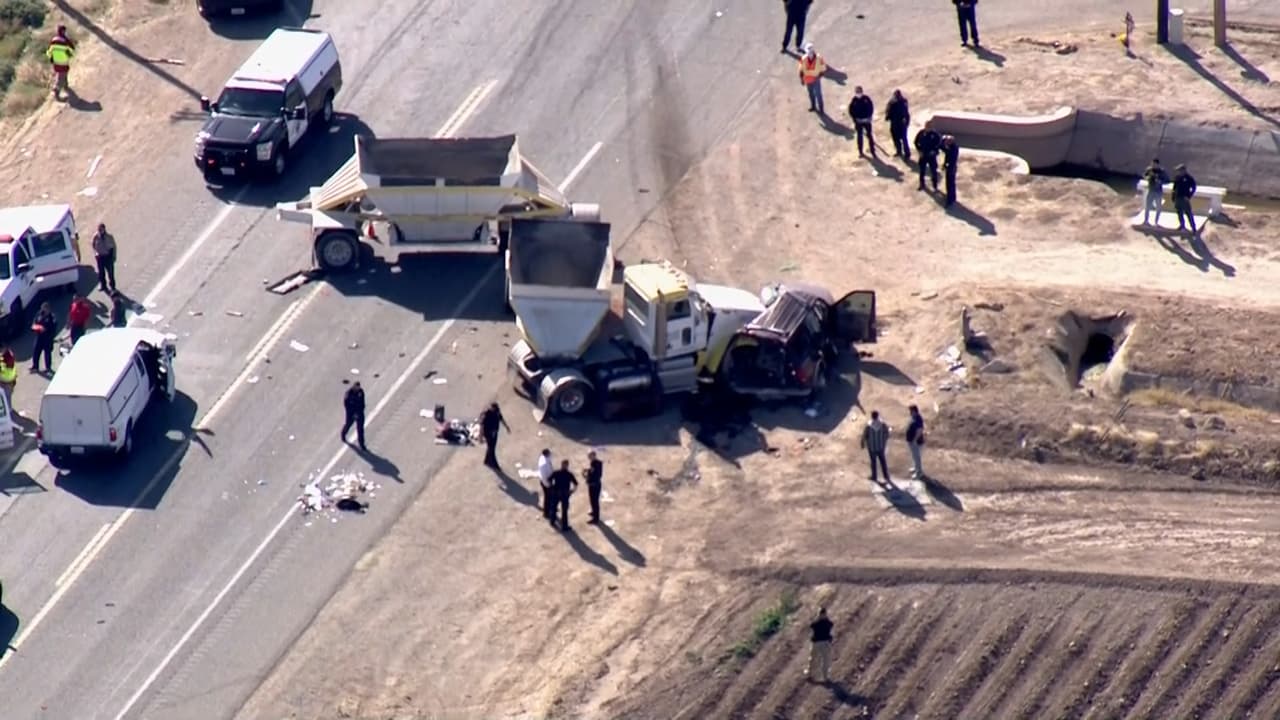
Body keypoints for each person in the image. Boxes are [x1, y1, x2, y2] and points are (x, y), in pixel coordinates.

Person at [859, 410, 891, 484]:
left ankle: (874, 476)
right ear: (878, 416)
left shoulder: (869, 426)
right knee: (883, 462)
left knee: (873, 462)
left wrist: (862, 443)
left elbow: (864, 435)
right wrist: (883, 441)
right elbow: (887, 433)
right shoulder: (882, 424)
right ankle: (886, 476)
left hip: (872, 448)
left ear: (872, 416)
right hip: (880, 447)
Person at [46, 25, 76, 99]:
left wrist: (51, 58)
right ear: (63, 31)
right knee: (62, 77)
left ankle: (65, 86)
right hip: (64, 62)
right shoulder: (65, 40)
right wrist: (69, 56)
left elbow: (49, 52)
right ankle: (57, 90)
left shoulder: (53, 40)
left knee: (61, 74)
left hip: (56, 62)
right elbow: (72, 50)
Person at [806, 607, 834, 683]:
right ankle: (824, 677)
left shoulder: (818, 623)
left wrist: (817, 619)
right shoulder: (827, 623)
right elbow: (831, 625)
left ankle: (811, 674)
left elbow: (812, 625)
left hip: (819, 642)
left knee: (820, 660)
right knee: (822, 660)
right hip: (822, 643)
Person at [479, 402, 510, 468]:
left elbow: (501, 419)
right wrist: (480, 437)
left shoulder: (497, 412)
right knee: (491, 449)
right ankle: (495, 465)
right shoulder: (487, 414)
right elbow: (482, 426)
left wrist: (506, 427)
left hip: (494, 433)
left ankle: (487, 461)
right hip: (488, 434)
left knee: (491, 448)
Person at [797, 43, 826, 114]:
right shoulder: (803, 59)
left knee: (818, 94)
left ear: (813, 51)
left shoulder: (819, 58)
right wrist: (802, 79)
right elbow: (800, 70)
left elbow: (823, 69)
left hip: (816, 79)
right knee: (811, 94)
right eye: (808, 52)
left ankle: (821, 109)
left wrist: (818, 77)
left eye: (811, 52)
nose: (810, 53)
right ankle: (813, 106)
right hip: (808, 79)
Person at [848, 86, 876, 158]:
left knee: (869, 136)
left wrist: (869, 116)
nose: (858, 93)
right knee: (859, 136)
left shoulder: (866, 99)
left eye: (859, 92)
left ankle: (873, 151)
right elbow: (851, 111)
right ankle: (860, 152)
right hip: (859, 122)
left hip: (867, 121)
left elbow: (871, 107)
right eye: (857, 92)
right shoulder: (854, 100)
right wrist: (855, 119)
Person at [550, 459, 578, 531]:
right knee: (564, 510)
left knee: (554, 507)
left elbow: (549, 480)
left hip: (556, 493)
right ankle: (564, 526)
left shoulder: (556, 473)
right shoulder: (569, 474)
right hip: (565, 494)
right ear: (567, 466)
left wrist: (552, 488)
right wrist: (571, 491)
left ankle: (552, 521)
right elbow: (576, 484)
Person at [30, 302, 58, 374]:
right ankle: (35, 366)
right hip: (39, 337)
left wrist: (45, 329)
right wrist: (34, 327)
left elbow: (53, 328)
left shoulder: (52, 317)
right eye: (43, 308)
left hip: (47, 338)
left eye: (45, 308)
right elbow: (34, 322)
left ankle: (48, 368)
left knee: (47, 353)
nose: (44, 310)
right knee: (36, 352)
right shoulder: (39, 314)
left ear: (49, 309)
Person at [1142, 158, 1170, 226]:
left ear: (1158, 164)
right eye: (1152, 164)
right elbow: (1144, 175)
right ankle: (1146, 221)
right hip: (1150, 190)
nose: (1153, 165)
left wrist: (1161, 182)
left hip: (1158, 192)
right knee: (1147, 206)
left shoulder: (1162, 171)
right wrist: (1147, 177)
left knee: (1158, 207)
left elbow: (1167, 180)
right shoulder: (1149, 170)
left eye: (1154, 164)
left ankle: (1156, 222)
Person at [1173, 164, 1199, 235]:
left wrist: (1189, 196)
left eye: (1180, 170)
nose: (1178, 172)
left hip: (1185, 198)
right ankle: (1182, 225)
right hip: (1178, 197)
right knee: (1179, 212)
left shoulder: (1189, 178)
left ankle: (1193, 228)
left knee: (1188, 213)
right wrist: (1173, 197)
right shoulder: (1177, 177)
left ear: (1183, 170)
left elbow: (1194, 187)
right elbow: (1174, 188)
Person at [885, 90, 911, 160]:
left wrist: (887, 117)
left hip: (898, 122)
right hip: (899, 123)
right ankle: (903, 152)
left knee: (901, 138)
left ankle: (903, 152)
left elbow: (888, 111)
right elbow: (906, 113)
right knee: (901, 138)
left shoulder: (893, 102)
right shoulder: (902, 101)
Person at [914, 127, 942, 192]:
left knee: (933, 171)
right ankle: (922, 184)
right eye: (926, 126)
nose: (927, 128)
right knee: (922, 170)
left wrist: (934, 151)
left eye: (929, 126)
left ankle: (935, 185)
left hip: (931, 156)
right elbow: (916, 142)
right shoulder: (921, 133)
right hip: (923, 155)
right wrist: (919, 150)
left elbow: (939, 144)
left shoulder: (935, 134)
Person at [92, 223, 117, 293]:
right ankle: (103, 285)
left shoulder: (109, 237)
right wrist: (95, 253)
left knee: (110, 273)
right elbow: (93, 245)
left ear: (104, 229)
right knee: (101, 273)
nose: (99, 231)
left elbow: (114, 247)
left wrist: (114, 256)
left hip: (108, 256)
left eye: (101, 229)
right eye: (98, 229)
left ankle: (113, 287)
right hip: (100, 257)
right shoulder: (96, 236)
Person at [341, 381, 367, 451]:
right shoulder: (349, 394)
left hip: (359, 412)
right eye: (356, 387)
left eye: (358, 387)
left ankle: (361, 444)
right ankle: (343, 434)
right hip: (351, 413)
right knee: (348, 424)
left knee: (360, 429)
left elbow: (362, 403)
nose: (357, 388)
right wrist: (353, 414)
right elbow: (347, 405)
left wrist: (359, 412)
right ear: (354, 386)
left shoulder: (361, 392)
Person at [905, 405, 926, 480]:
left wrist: (914, 440)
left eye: (911, 411)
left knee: (917, 458)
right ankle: (915, 468)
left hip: (916, 442)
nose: (910, 412)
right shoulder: (914, 417)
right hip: (913, 441)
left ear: (914, 411)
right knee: (914, 456)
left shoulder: (918, 419)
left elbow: (920, 431)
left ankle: (919, 473)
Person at [584, 450, 604, 525]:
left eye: (590, 456)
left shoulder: (597, 463)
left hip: (595, 485)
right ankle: (593, 512)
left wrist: (588, 477)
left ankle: (596, 518)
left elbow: (597, 475)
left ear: (594, 455)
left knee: (595, 501)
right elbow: (592, 471)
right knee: (592, 500)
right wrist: (588, 471)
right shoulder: (593, 463)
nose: (588, 457)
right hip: (592, 484)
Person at [941, 134, 960, 207]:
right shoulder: (952, 147)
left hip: (951, 168)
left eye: (947, 141)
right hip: (951, 167)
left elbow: (946, 151)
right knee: (951, 183)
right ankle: (953, 197)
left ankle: (950, 200)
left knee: (950, 184)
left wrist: (946, 165)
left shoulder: (953, 149)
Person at [538, 448, 555, 522]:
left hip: (546, 481)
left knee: (550, 497)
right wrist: (548, 485)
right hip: (546, 483)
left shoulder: (544, 459)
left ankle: (550, 509)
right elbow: (544, 476)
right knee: (547, 498)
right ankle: (546, 513)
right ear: (547, 454)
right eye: (549, 453)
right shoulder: (544, 464)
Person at [0, 348, 17, 413]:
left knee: (4, 396)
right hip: (10, 380)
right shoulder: (11, 358)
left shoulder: (2, 360)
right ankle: (9, 408)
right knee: (8, 396)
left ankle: (6, 410)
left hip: (4, 380)